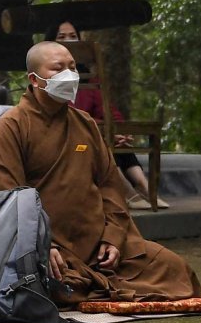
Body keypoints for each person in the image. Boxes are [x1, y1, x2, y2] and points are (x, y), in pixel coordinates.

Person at [0, 40, 201, 305]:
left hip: (98, 245)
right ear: (34, 79)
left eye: (73, 68)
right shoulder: (11, 127)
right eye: (58, 69)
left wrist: (112, 238)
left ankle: (97, 283)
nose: (69, 75)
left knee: (176, 269)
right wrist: (44, 245)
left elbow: (110, 185)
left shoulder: (85, 124)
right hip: (49, 248)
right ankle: (91, 285)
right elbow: (7, 197)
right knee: (53, 283)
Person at [49, 21, 155, 207]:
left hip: (93, 132)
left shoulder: (90, 79)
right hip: (70, 142)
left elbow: (108, 110)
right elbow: (67, 114)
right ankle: (126, 192)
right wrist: (102, 128)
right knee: (97, 141)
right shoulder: (46, 76)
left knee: (112, 140)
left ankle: (145, 188)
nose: (69, 41)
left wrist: (119, 130)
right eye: (62, 37)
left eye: (73, 36)